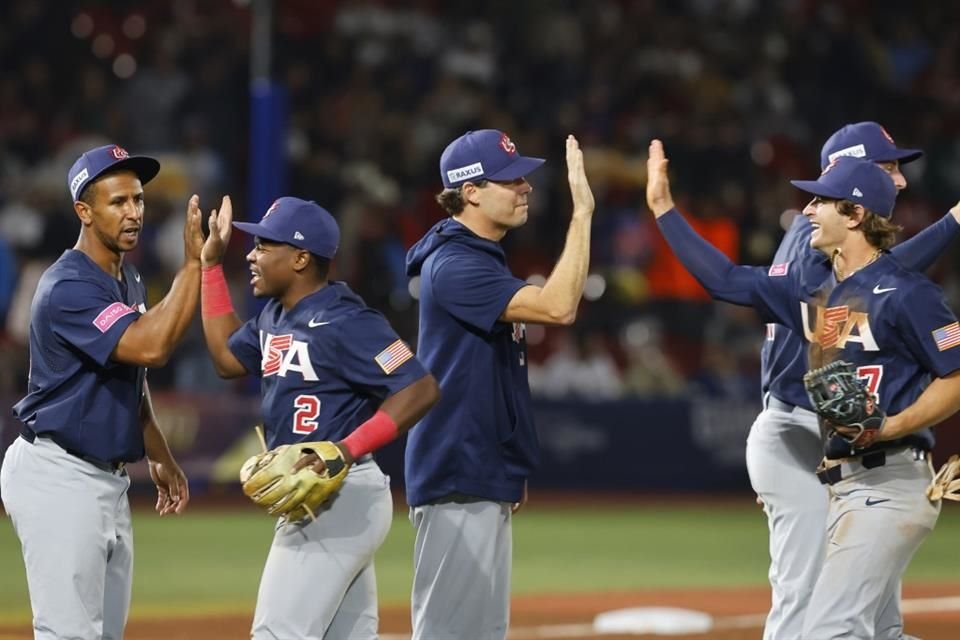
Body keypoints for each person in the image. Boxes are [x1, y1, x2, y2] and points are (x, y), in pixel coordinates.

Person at [646, 142, 960, 638]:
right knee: (877, 632)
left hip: (892, 482)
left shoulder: (912, 294)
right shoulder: (807, 286)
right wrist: (664, 209)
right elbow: (725, 279)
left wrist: (894, 424)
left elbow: (957, 376)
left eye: (821, 201)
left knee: (827, 630)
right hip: (845, 483)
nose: (807, 210)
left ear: (855, 213)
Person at [747, 122, 960, 640]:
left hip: (864, 459)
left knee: (851, 626)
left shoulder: (882, 276)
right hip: (813, 440)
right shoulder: (812, 246)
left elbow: (888, 285)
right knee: (833, 617)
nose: (900, 182)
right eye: (888, 168)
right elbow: (871, 286)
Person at [197, 196, 440, 639]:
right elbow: (226, 360)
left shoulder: (347, 319)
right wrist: (209, 267)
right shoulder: (274, 315)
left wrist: (345, 450)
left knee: (277, 633)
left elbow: (419, 388)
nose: (251, 254)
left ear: (301, 258)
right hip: (322, 500)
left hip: (340, 495)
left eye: (264, 245)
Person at [0, 144, 214, 640]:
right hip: (60, 475)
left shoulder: (127, 277)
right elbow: (153, 347)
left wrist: (158, 451)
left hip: (104, 480)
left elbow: (130, 374)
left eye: (138, 200)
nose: (134, 212)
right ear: (84, 211)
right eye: (117, 202)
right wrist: (193, 266)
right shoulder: (69, 285)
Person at [404, 130, 595, 640]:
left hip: (476, 465)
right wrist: (582, 215)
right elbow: (559, 306)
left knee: (481, 633)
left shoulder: (476, 256)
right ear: (470, 190)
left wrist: (506, 463)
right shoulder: (456, 263)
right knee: (451, 633)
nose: (525, 187)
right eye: (510, 179)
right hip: (456, 465)